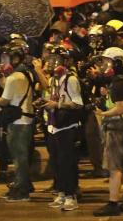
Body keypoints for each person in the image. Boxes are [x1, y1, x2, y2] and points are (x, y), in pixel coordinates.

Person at [35, 45, 83, 212]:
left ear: (66, 61)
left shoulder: (71, 79)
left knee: (66, 163)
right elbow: (51, 97)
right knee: (56, 162)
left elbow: (77, 103)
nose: (53, 63)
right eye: (51, 60)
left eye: (58, 60)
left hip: (67, 126)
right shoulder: (53, 79)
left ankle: (71, 196)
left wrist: (58, 104)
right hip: (53, 126)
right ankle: (61, 193)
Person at [93, 46, 123, 216]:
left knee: (114, 167)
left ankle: (113, 203)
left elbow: (120, 108)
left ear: (117, 63)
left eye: (107, 61)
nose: (104, 65)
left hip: (116, 128)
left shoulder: (119, 83)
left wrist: (102, 113)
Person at [0, 36, 34, 202]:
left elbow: (5, 100)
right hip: (26, 119)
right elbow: (14, 91)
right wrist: (0, 81)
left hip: (18, 122)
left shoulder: (15, 77)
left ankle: (22, 189)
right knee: (21, 156)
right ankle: (24, 184)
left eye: (6, 57)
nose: (3, 61)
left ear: (15, 58)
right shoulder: (25, 73)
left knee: (18, 157)